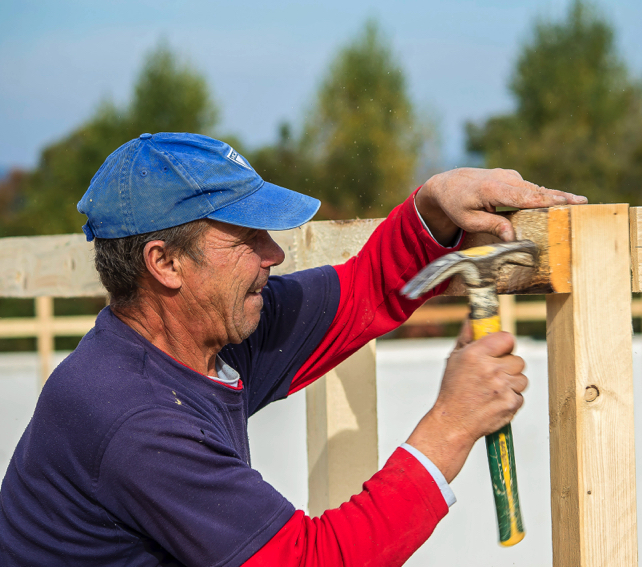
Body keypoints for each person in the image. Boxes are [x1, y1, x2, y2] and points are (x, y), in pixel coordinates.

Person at [0, 133, 586, 566]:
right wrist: (452, 427)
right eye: (247, 237)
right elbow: (313, 561)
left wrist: (434, 205)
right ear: (166, 263)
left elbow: (361, 293)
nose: (273, 255)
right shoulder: (136, 420)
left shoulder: (201, 336)